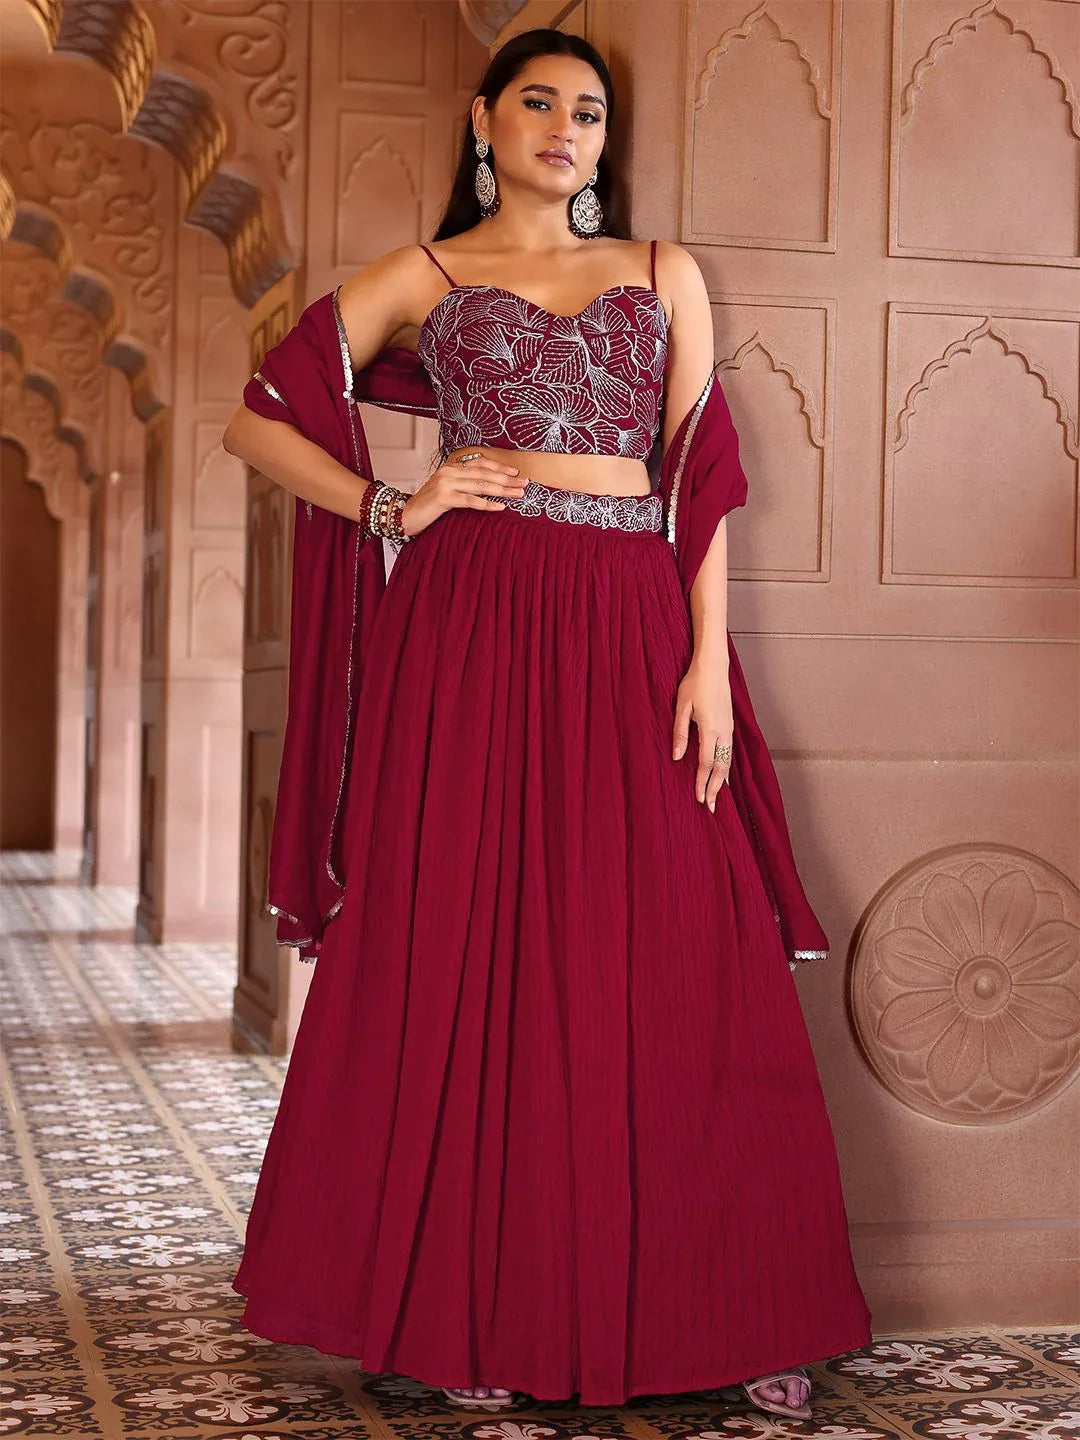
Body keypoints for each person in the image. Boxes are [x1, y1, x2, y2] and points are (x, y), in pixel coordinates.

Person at [221, 26, 872, 1418]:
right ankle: (462, 1315)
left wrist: (708, 660)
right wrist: (395, 505)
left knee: (682, 945)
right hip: (465, 624)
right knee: (459, 938)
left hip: (633, 616)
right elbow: (261, 418)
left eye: (589, 111)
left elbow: (697, 474)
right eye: (540, 103)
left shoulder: (663, 272)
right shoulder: (430, 271)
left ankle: (746, 1310)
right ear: (485, 119)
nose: (567, 129)